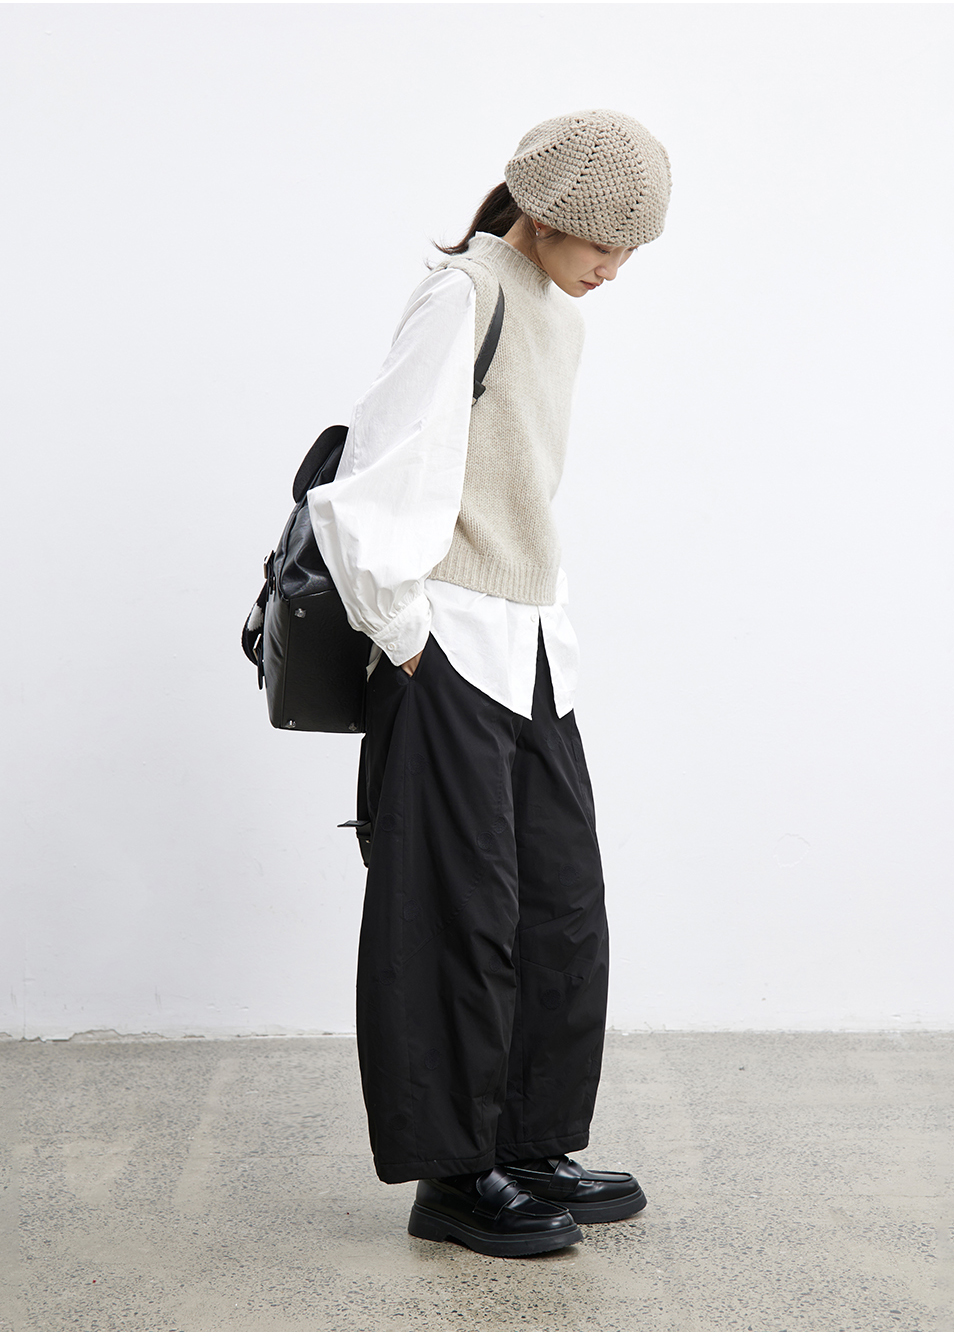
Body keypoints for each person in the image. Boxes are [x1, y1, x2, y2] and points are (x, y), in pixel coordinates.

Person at [308, 109, 671, 1258]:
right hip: (451, 645)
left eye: (633, 248)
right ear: (549, 214)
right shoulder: (464, 297)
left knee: (559, 905)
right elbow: (368, 483)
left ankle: (528, 1143)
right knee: (453, 917)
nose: (615, 267)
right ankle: (456, 1176)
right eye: (605, 242)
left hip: (532, 644)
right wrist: (406, 635)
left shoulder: (557, 313)